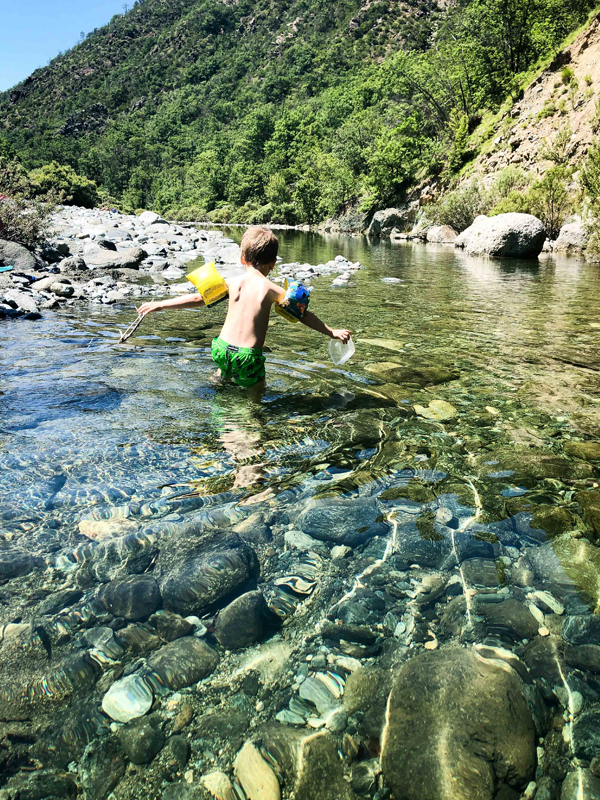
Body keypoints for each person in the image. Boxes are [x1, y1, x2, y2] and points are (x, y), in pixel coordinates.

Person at [137, 226, 351, 393]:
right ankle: (249, 430)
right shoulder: (271, 289)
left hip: (220, 349)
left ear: (242, 259)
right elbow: (302, 315)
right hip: (248, 357)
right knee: (256, 394)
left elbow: (198, 298)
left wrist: (160, 304)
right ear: (273, 263)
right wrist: (331, 331)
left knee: (224, 373)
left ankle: (217, 388)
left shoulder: (232, 282)